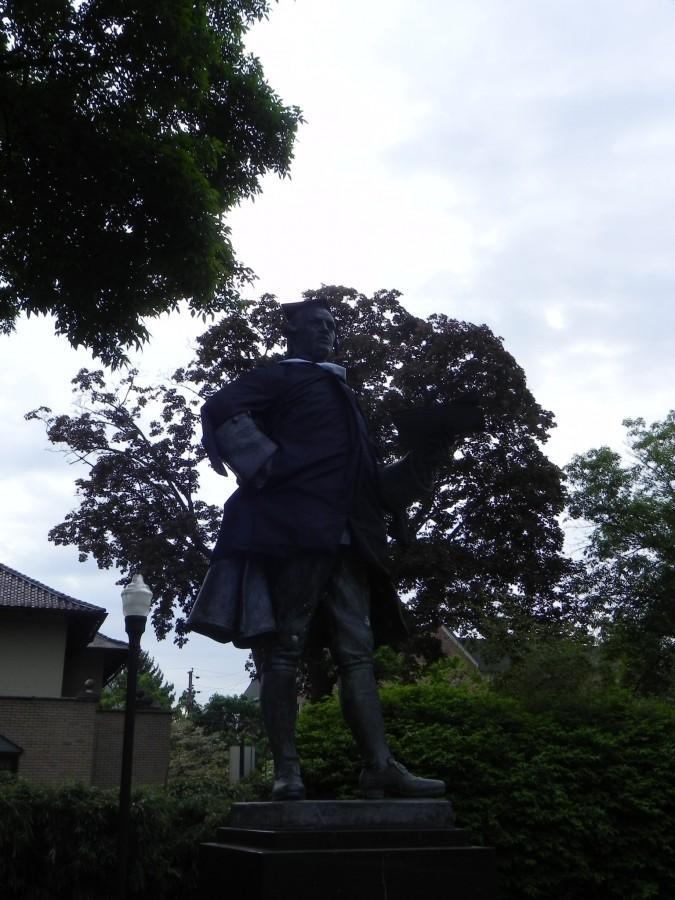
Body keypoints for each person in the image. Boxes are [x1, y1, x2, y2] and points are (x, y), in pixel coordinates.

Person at [187, 298, 445, 801]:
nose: (328, 332)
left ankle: (379, 766)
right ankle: (288, 771)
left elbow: (372, 482)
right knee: (283, 651)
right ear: (293, 330)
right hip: (295, 532)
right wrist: (267, 466)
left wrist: (427, 458)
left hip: (347, 540)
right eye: (317, 325)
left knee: (358, 655)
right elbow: (221, 406)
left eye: (333, 326)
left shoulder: (344, 395)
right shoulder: (282, 378)